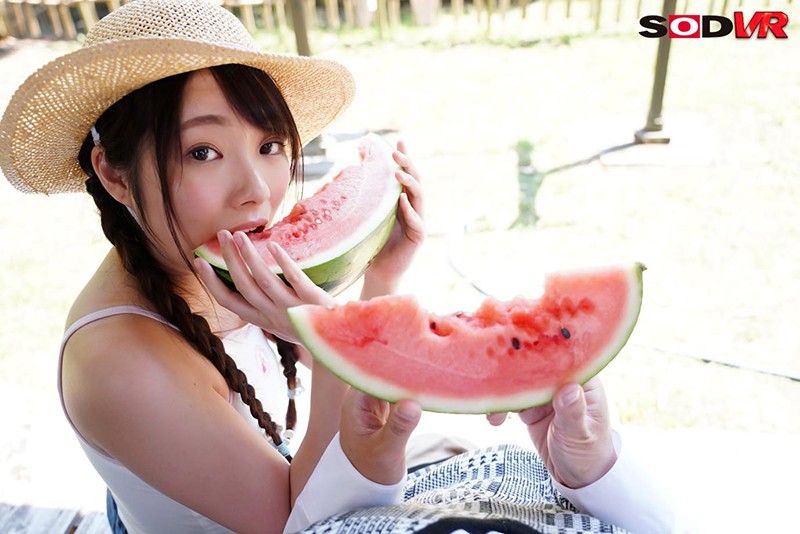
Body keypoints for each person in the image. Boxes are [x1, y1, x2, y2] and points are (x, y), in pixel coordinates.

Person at [0, 1, 678, 533]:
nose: (257, 190)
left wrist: (381, 278)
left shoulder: (215, 268)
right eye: (203, 152)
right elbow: (302, 524)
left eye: (270, 145)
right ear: (115, 173)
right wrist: (324, 341)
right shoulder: (120, 361)